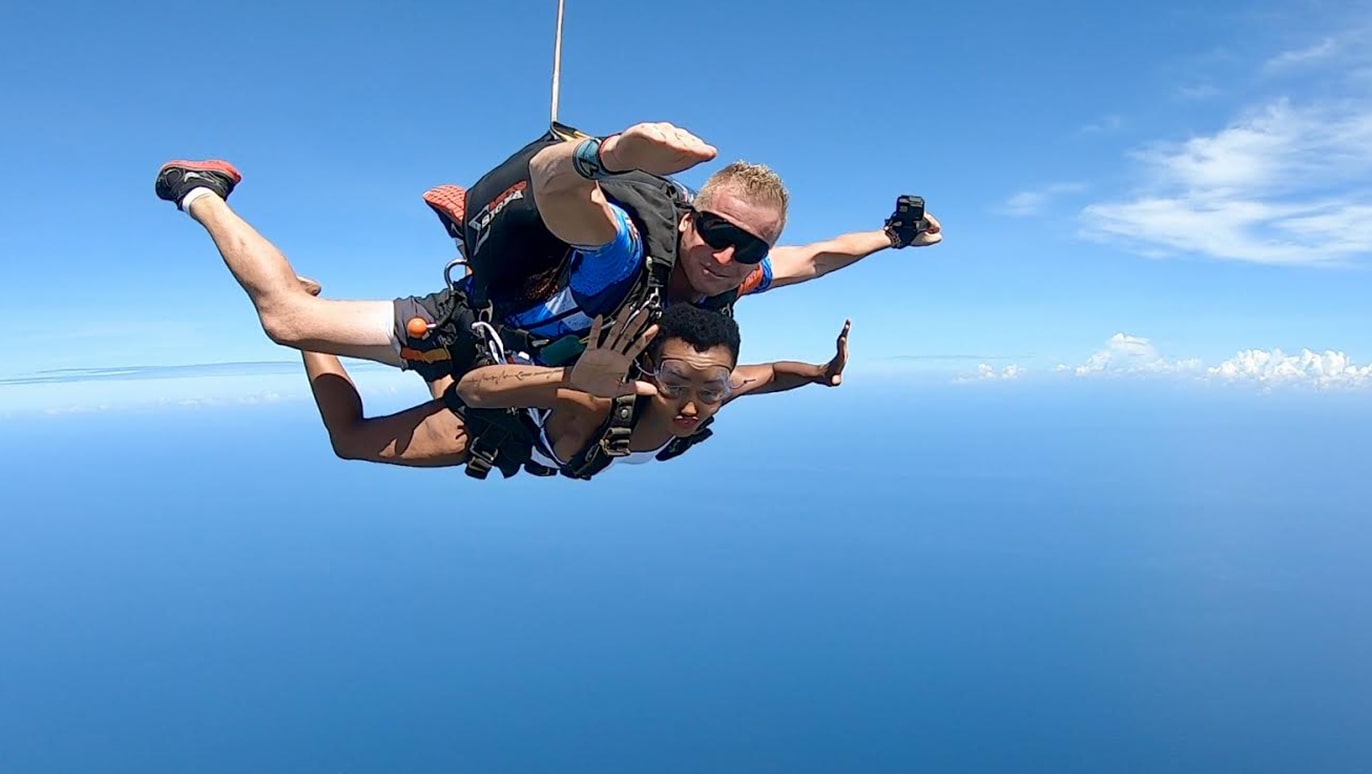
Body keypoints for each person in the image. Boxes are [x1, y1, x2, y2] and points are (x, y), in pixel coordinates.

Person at [152, 120, 939, 382]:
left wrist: (890, 238)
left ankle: (474, 226)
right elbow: (555, 185)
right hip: (485, 318)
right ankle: (202, 191)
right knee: (289, 320)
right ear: (691, 218)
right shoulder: (628, 247)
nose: (729, 258)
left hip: (529, 331)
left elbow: (818, 257)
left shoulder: (734, 277)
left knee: (518, 246)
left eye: (748, 247)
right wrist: (611, 150)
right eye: (718, 233)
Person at [296, 290, 853, 478]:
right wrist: (576, 382)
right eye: (675, 380)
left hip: (528, 402)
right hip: (505, 421)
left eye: (711, 388)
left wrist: (820, 374)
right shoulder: (607, 397)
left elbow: (773, 374)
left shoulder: (714, 393)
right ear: (651, 371)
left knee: (439, 373)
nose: (690, 404)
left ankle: (430, 354)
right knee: (350, 440)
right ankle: (311, 330)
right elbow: (475, 392)